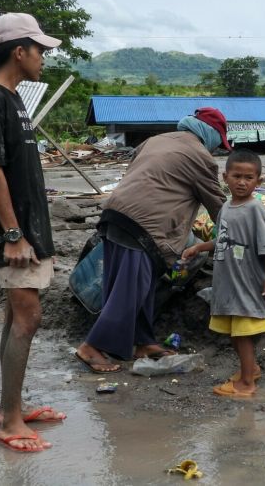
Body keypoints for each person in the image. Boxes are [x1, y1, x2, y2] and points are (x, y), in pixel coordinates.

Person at [0, 13, 65, 453]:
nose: (44, 58)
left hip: (26, 227)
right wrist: (13, 234)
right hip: (15, 232)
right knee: (28, 317)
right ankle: (9, 421)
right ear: (19, 51)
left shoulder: (14, 99)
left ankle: (13, 408)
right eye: (40, 49)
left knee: (14, 315)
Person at [74, 108, 229, 372]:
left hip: (115, 214)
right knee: (130, 290)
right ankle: (92, 346)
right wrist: (245, 229)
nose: (217, 148)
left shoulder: (156, 140)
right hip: (144, 225)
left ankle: (142, 341)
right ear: (211, 135)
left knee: (139, 285)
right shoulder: (201, 157)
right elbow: (219, 207)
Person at [182, 150, 265, 398]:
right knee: (233, 333)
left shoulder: (255, 209)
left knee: (244, 334)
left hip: (247, 282)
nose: (242, 182)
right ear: (225, 177)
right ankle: (251, 370)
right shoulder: (226, 207)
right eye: (237, 176)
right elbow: (223, 240)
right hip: (228, 282)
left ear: (258, 181)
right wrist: (199, 247)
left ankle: (247, 384)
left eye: (249, 177)